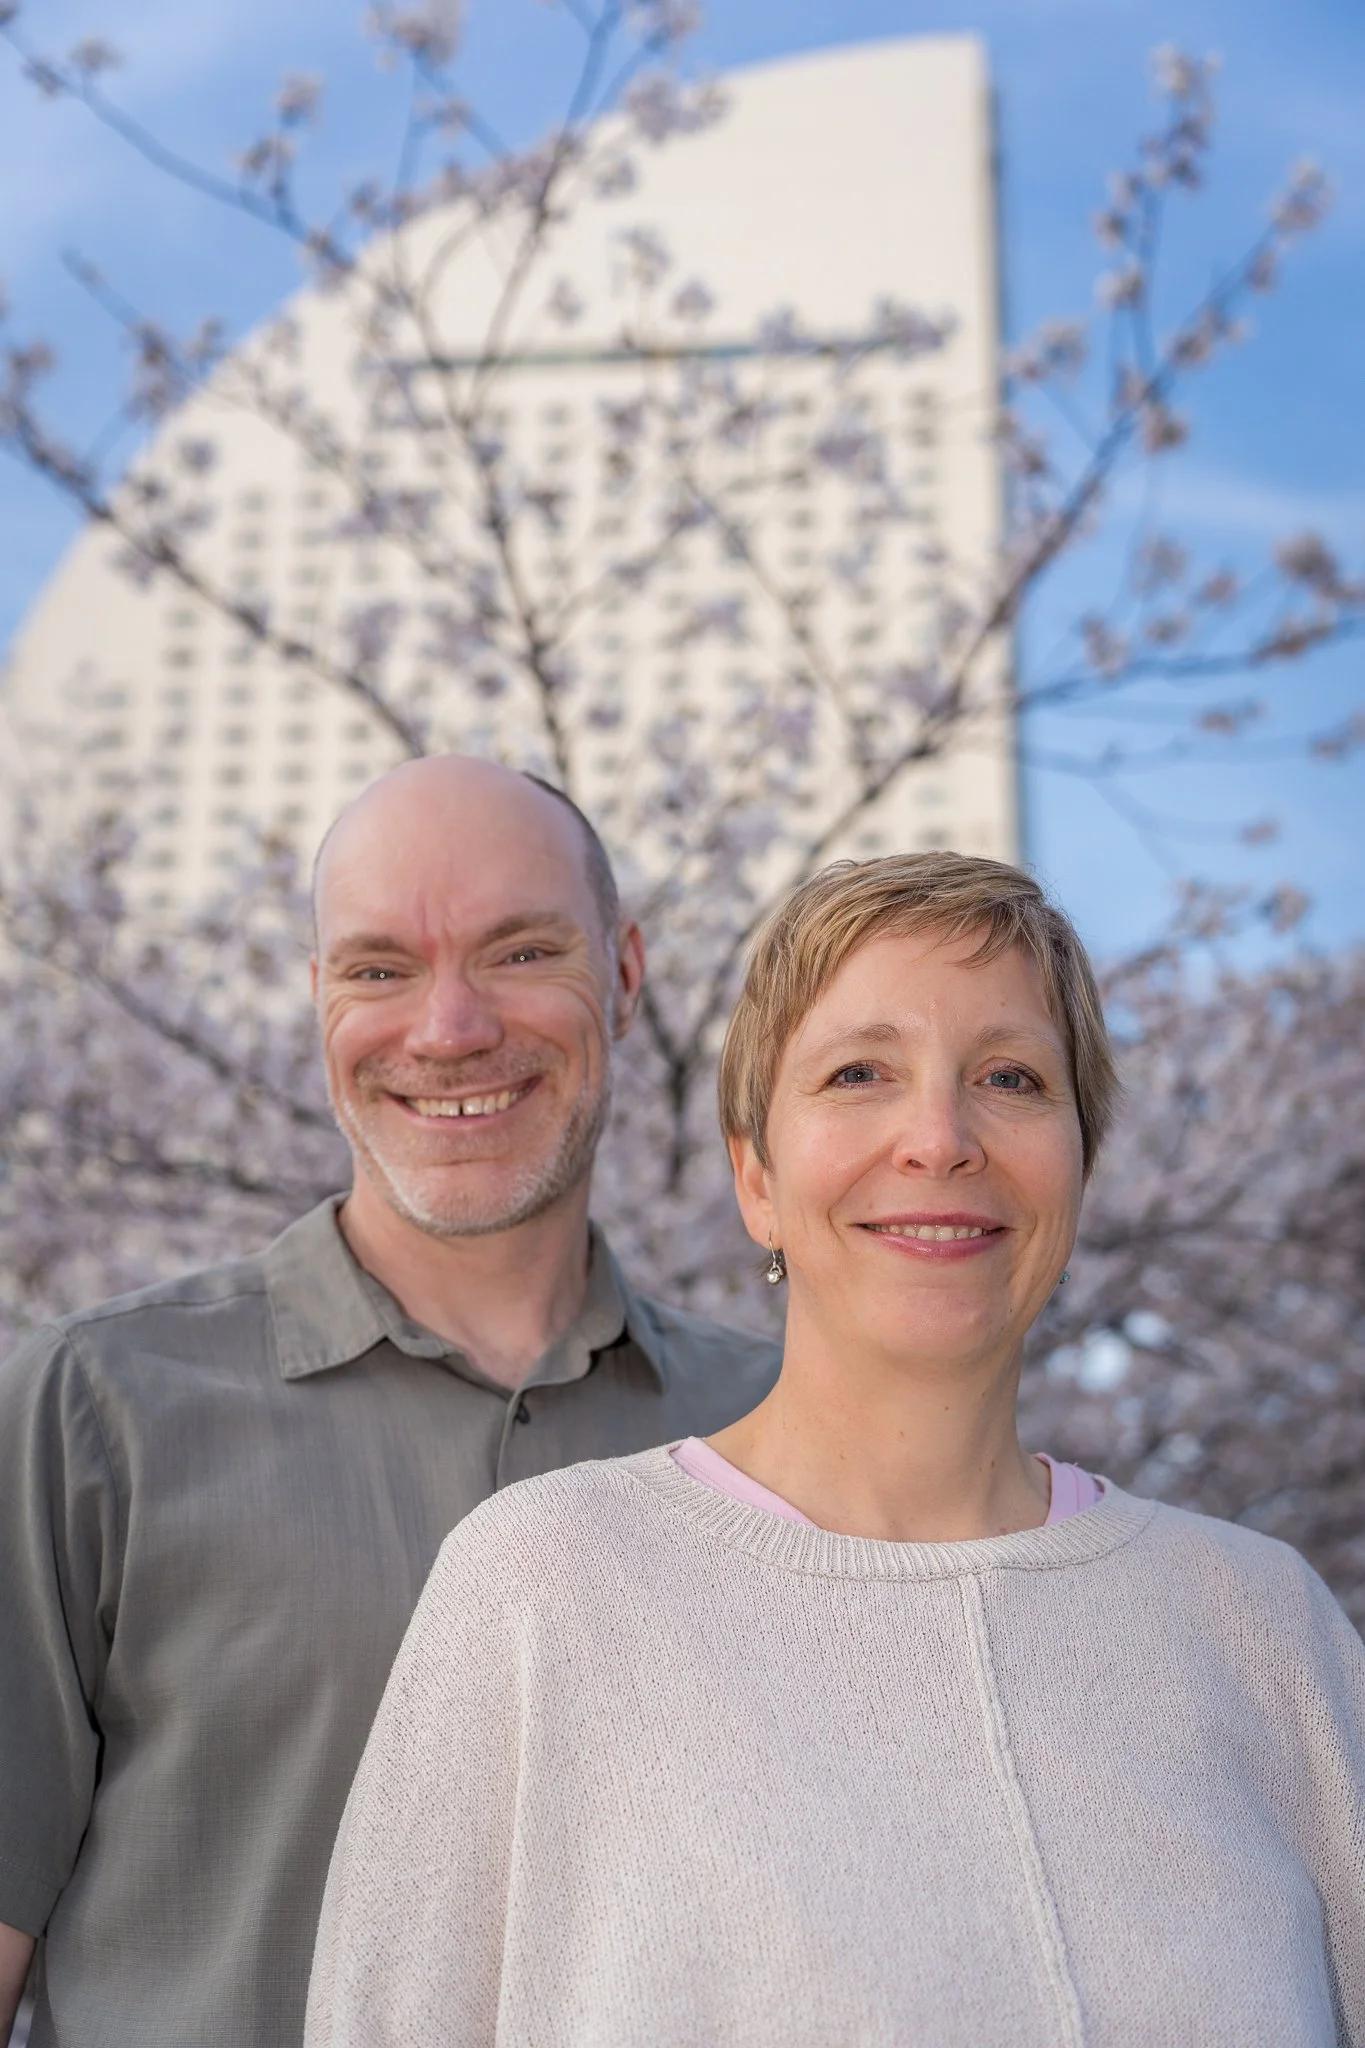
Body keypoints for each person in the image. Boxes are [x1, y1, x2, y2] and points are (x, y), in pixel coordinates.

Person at [305, 850, 1365, 2048]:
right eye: (861, 1071)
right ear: (755, 1174)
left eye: (1011, 1077)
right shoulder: (546, 1588)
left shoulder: (1267, 1630)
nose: (938, 1136)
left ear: (1080, 1165)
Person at [0, 756, 779, 2048]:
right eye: (377, 969)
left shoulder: (781, 1432)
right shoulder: (91, 1413)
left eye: (522, 952)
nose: (448, 1028)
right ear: (317, 1003)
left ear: (627, 976)